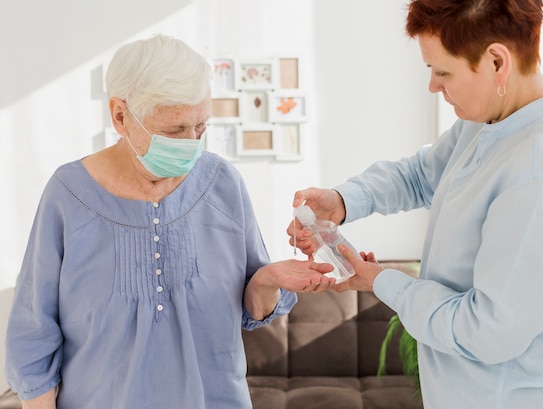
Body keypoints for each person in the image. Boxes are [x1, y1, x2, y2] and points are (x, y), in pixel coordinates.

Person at [289, 1, 543, 408]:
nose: (433, 86)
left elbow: (486, 331)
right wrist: (343, 200)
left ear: (497, 62)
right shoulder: (494, 120)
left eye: (442, 72)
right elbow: (421, 175)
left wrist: (383, 281)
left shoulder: (539, 174)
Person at [5, 34, 334, 409]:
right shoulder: (67, 195)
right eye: (175, 130)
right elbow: (34, 332)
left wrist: (266, 280)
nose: (191, 143)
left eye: (200, 128)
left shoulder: (222, 184)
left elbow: (251, 312)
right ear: (120, 115)